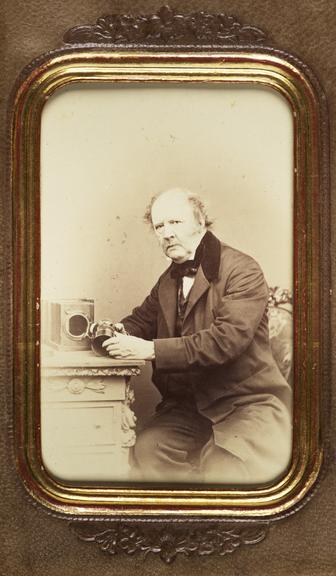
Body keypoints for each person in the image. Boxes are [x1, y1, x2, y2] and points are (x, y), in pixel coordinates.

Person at [102, 188, 292, 484]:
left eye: (175, 223)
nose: (166, 233)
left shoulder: (243, 270)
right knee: (149, 450)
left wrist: (150, 350)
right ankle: (183, 526)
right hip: (189, 407)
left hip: (245, 403)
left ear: (201, 222)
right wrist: (115, 331)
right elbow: (141, 320)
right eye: (159, 226)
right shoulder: (168, 280)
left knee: (224, 466)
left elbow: (226, 341)